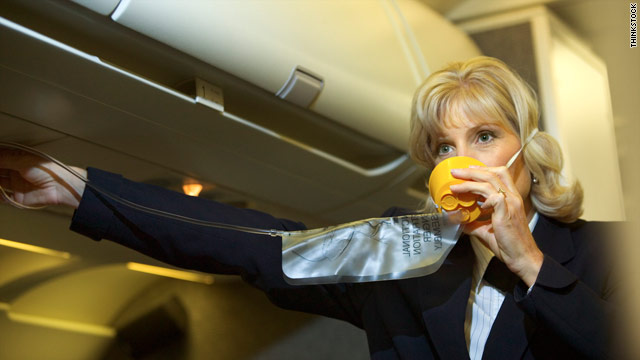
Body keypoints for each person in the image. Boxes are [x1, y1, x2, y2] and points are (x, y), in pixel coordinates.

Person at [0, 56, 617, 359]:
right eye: (442, 148)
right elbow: (258, 244)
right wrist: (85, 191)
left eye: (484, 138)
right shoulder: (404, 258)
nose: (462, 162)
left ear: (527, 150)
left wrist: (531, 261)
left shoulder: (608, 253)